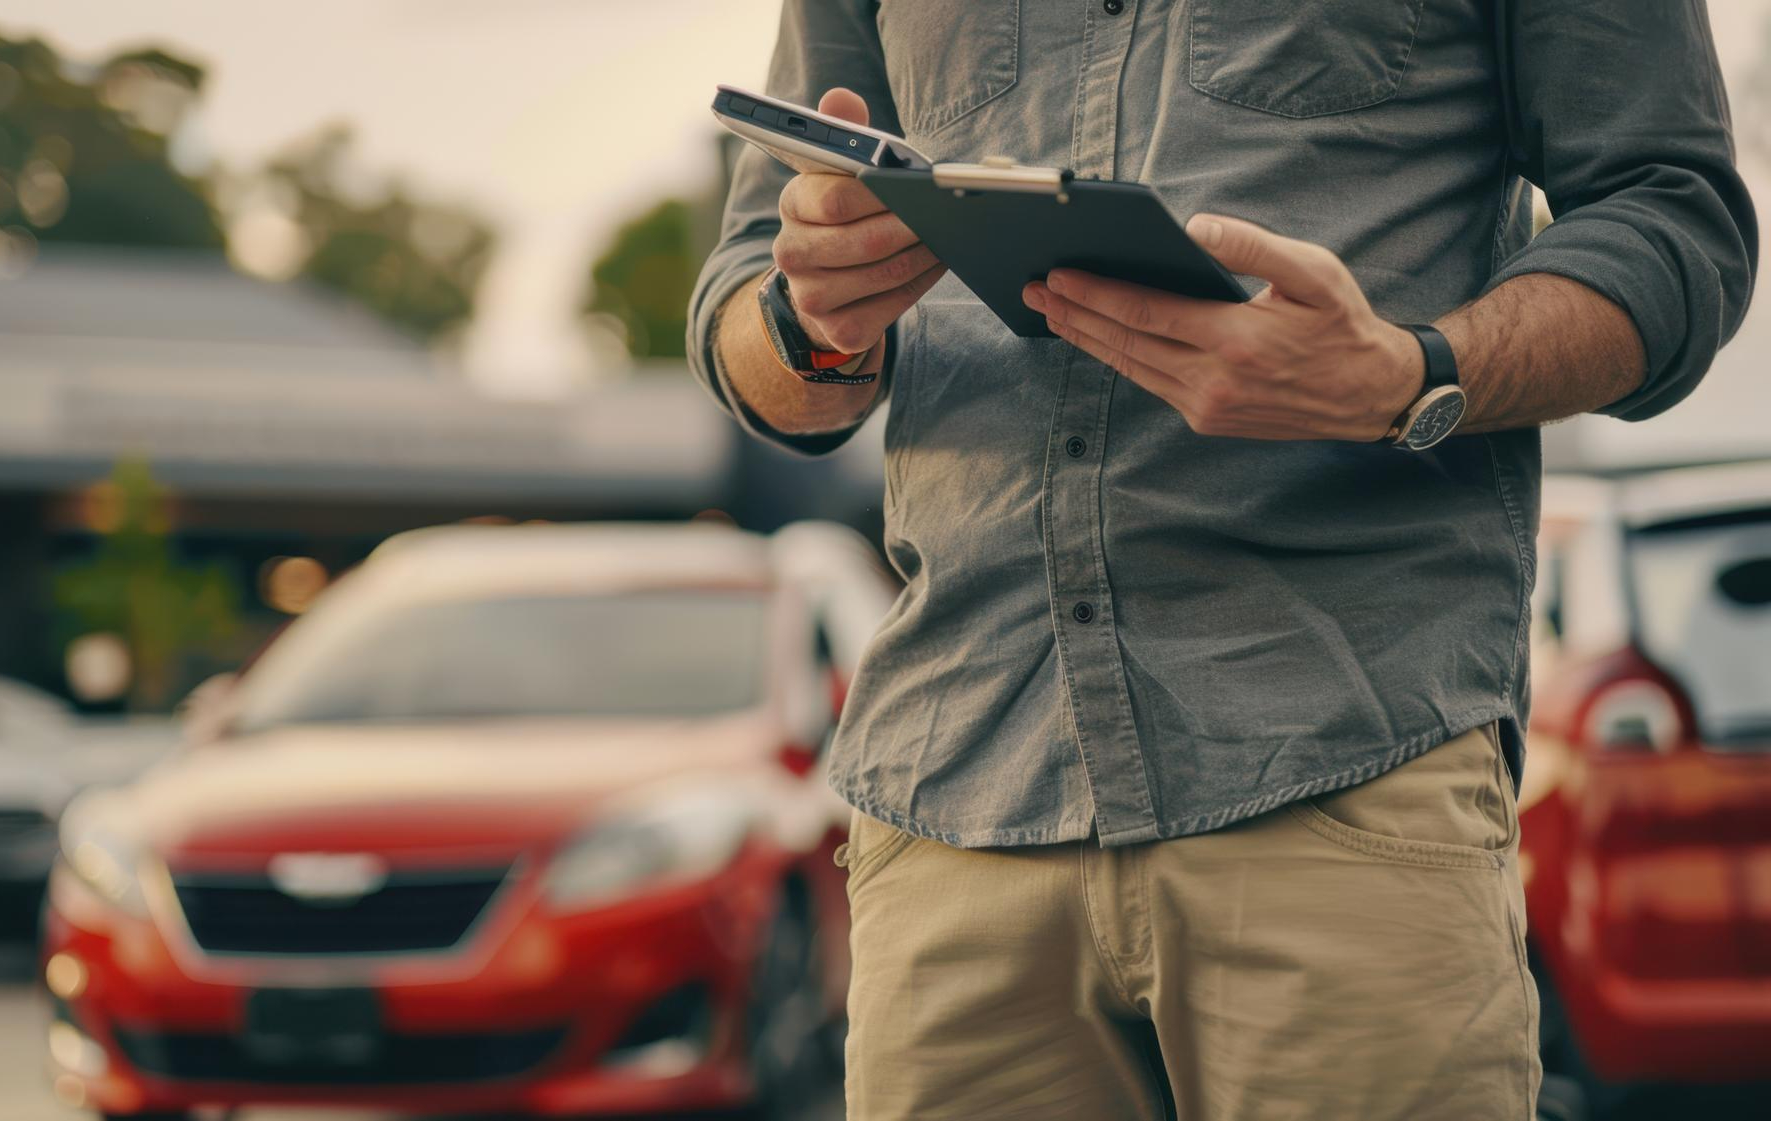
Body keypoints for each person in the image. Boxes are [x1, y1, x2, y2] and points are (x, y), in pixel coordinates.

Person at [688, 2, 1756, 1119]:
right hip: (958, 794)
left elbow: (1673, 219)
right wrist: (810, 320)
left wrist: (1408, 373)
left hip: (1343, 769)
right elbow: (745, 298)